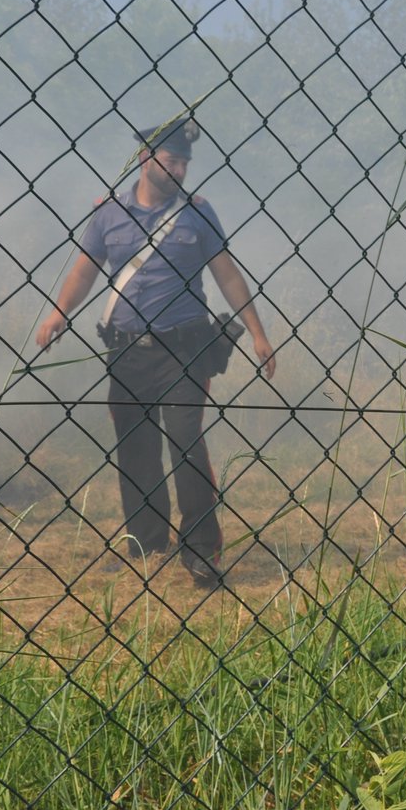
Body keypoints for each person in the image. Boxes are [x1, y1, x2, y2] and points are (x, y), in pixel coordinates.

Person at [36, 118, 277, 587]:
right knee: (135, 446)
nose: (181, 171)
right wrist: (58, 312)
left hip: (185, 348)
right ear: (146, 160)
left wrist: (258, 332)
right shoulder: (108, 214)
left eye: (185, 163)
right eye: (172, 161)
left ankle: (201, 550)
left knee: (186, 443)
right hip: (127, 352)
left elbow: (227, 274)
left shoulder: (199, 213)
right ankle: (147, 541)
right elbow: (85, 271)